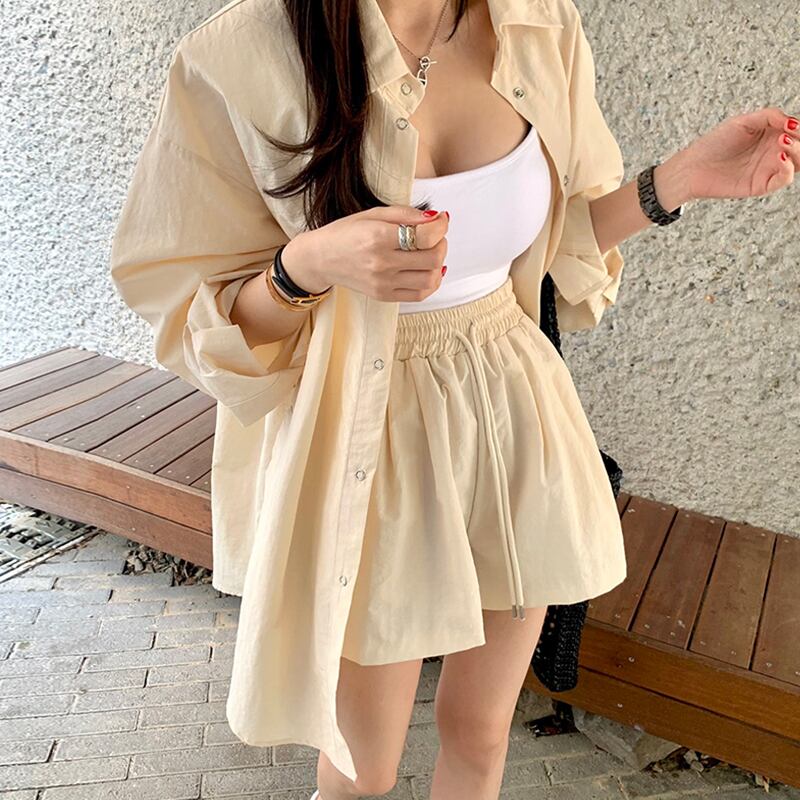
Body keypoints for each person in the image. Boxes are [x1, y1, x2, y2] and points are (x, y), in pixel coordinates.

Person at [109, 0, 797, 797]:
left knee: (479, 733)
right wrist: (310, 264)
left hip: (513, 406)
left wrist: (680, 179)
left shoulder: (539, 25)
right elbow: (195, 313)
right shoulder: (241, 55)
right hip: (367, 429)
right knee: (362, 769)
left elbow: (555, 242)